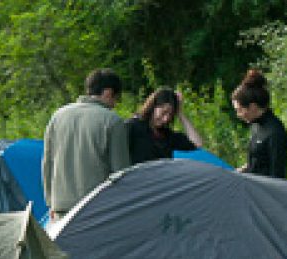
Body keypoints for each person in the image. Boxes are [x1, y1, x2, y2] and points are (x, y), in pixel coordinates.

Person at [42, 68, 130, 221]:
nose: (115, 104)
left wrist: (51, 203)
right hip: (97, 210)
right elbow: (120, 173)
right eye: (116, 99)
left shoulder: (58, 116)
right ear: (108, 93)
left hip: (61, 208)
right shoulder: (112, 121)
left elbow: (47, 164)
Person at [232, 69, 287, 179]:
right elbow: (256, 162)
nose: (238, 115)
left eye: (240, 110)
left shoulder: (275, 132)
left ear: (253, 107)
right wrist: (240, 171)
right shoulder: (255, 125)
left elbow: (278, 175)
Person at [127, 87, 203, 164]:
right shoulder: (133, 126)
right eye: (164, 112)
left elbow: (197, 143)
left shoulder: (168, 136)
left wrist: (180, 113)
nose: (166, 119)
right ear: (153, 106)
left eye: (170, 114)